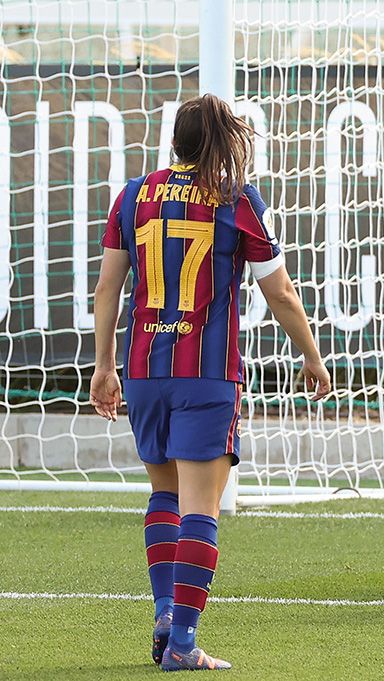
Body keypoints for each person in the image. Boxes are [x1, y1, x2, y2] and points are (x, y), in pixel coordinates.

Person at [89, 94, 333, 671]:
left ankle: (165, 612)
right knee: (202, 506)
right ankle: (182, 644)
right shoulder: (236, 200)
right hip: (207, 374)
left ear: (176, 140)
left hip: (145, 370)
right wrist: (312, 356)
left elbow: (107, 290)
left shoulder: (133, 196)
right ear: (223, 142)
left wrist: (104, 366)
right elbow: (280, 294)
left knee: (164, 497)